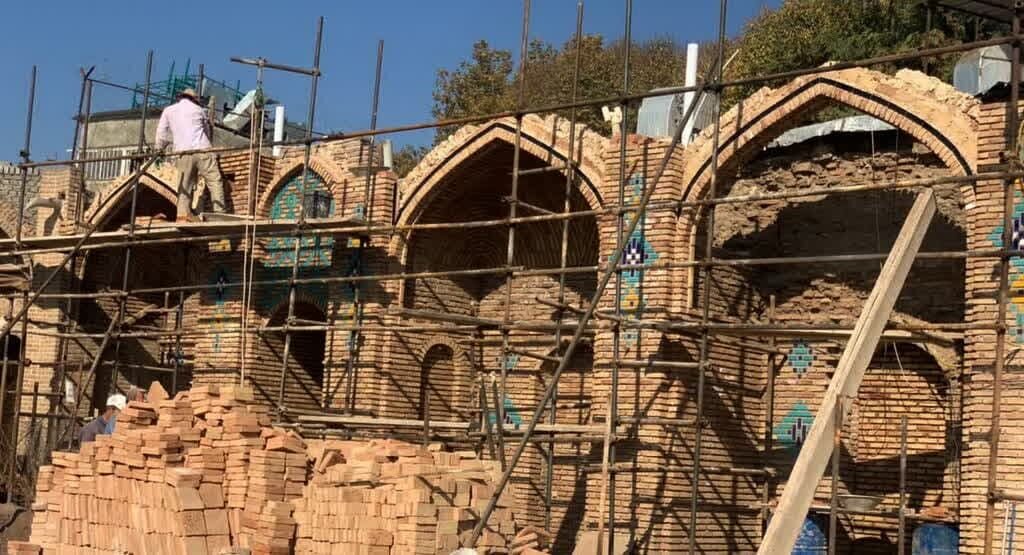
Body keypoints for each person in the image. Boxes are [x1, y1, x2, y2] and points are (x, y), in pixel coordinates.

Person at [155, 88, 227, 222]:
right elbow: (207, 132)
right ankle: (219, 213)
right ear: (194, 99)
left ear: (180, 97)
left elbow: (161, 134)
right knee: (214, 181)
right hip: (202, 150)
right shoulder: (199, 110)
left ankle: (183, 215)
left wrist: (159, 150)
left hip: (183, 152)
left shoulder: (169, 110)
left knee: (185, 184)